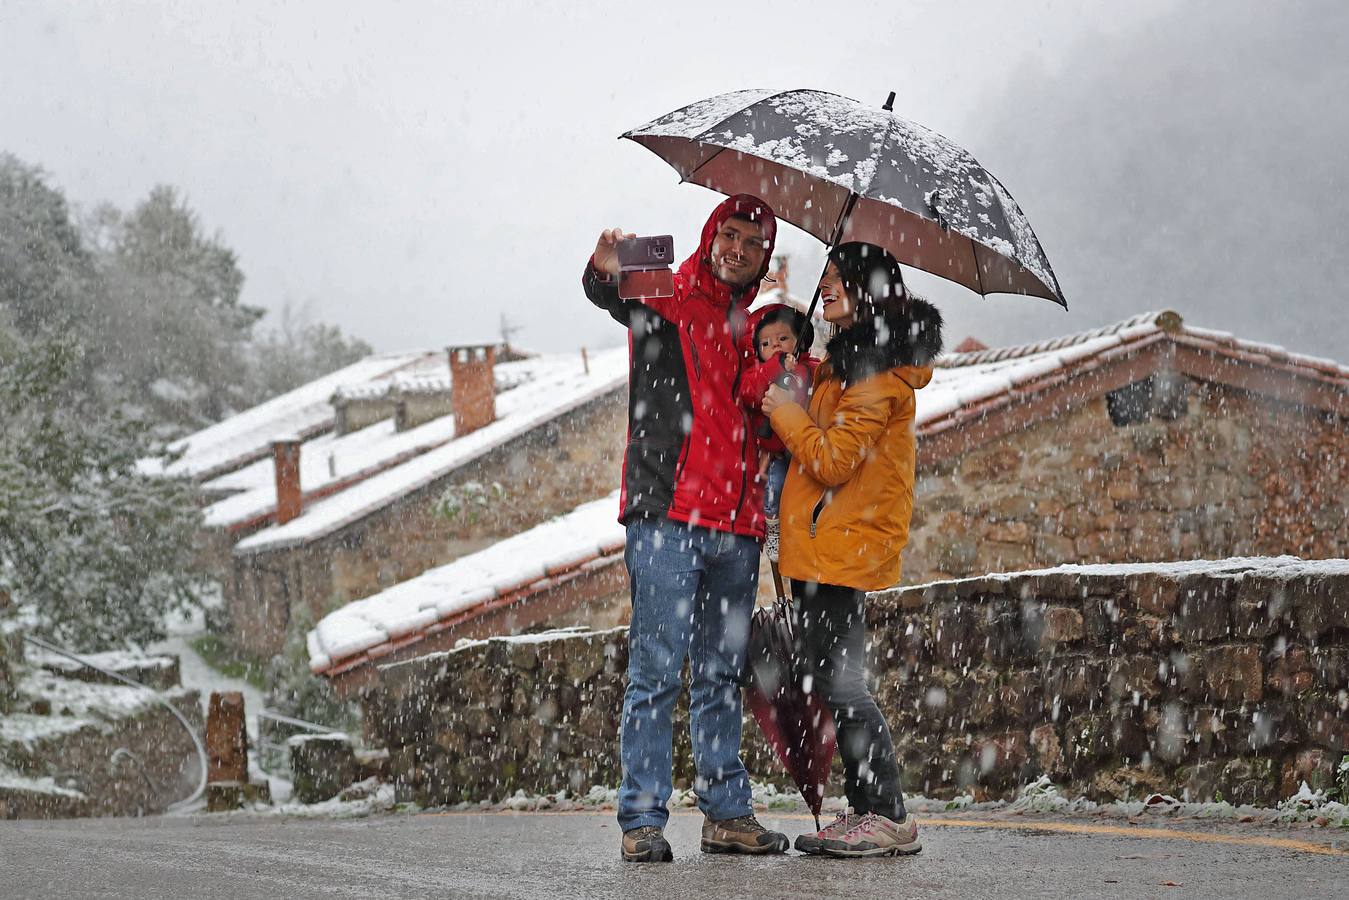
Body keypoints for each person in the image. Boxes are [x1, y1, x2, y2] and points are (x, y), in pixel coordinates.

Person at [582, 194, 791, 862]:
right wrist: (603, 263)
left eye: (749, 243)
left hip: (737, 527)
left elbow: (768, 421)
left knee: (721, 675)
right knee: (654, 671)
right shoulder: (666, 286)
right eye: (726, 234)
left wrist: (779, 372)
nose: (734, 248)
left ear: (763, 256)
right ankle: (641, 821)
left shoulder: (760, 326)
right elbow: (607, 289)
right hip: (666, 517)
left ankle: (726, 813)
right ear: (710, 234)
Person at [761, 241, 944, 859]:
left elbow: (835, 460)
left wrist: (788, 413)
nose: (828, 285)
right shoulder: (849, 365)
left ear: (870, 292)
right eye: (827, 276)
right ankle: (866, 807)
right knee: (829, 678)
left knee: (843, 683)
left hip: (840, 546)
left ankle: (887, 812)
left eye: (840, 279)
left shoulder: (875, 373)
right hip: (822, 547)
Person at [736, 304, 820, 563]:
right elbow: (749, 392)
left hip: (806, 445)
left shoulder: (811, 367)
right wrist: (776, 367)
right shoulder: (759, 374)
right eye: (766, 343)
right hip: (778, 450)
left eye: (783, 339)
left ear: (799, 341)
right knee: (775, 488)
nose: (775, 346)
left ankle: (811, 524)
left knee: (810, 492)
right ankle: (774, 527)